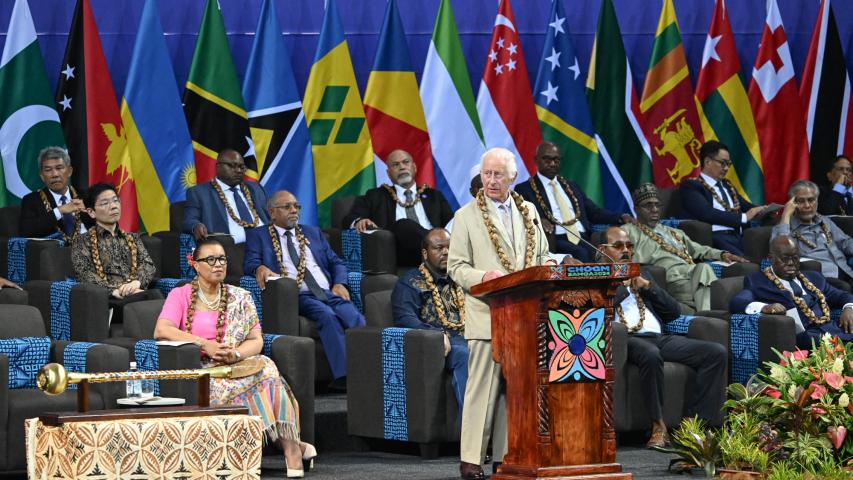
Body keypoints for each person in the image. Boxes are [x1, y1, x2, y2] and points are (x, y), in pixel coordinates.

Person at [153, 238, 316, 478]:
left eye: (222, 259)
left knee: (268, 369)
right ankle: (293, 446)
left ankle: (291, 449)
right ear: (195, 264)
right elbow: (162, 330)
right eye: (210, 259)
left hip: (236, 364)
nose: (218, 264)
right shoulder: (181, 295)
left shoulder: (240, 296)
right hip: (202, 368)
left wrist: (236, 354)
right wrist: (205, 345)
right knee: (257, 378)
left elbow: (256, 340)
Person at [448, 147, 553, 480]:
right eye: (486, 174)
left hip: (525, 317)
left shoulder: (530, 211)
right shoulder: (466, 215)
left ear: (513, 177)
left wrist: (550, 266)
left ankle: (506, 457)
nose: (490, 181)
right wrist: (483, 277)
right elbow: (455, 267)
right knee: (483, 389)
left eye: (497, 175)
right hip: (488, 314)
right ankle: (470, 460)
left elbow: (542, 254)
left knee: (515, 390)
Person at [597, 226, 726, 448]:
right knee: (650, 354)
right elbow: (597, 311)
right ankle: (658, 425)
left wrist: (648, 287)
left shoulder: (642, 273)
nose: (626, 250)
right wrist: (621, 286)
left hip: (658, 337)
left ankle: (695, 426)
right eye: (618, 246)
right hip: (626, 340)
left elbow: (673, 312)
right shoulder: (596, 276)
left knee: (715, 353)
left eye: (629, 245)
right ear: (602, 250)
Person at [244, 190, 365, 391]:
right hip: (297, 295)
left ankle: (371, 369)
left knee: (354, 316)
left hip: (328, 291)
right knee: (326, 315)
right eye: (287, 207)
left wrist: (339, 283)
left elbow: (336, 262)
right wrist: (260, 268)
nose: (294, 211)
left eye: (296, 207)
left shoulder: (312, 232)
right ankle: (345, 377)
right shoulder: (259, 235)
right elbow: (250, 262)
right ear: (272, 212)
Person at [622, 183, 749, 313]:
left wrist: (723, 255)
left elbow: (699, 249)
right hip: (672, 281)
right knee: (705, 271)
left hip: (694, 277)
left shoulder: (674, 232)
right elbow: (619, 258)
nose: (654, 209)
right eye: (648, 205)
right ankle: (710, 317)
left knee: (711, 275)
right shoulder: (628, 232)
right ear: (636, 209)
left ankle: (704, 316)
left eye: (657, 205)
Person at [391, 228, 468, 416]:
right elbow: (404, 318)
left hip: (469, 336)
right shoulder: (409, 282)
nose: (446, 252)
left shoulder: (460, 277)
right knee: (466, 354)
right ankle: (471, 434)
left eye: (450, 247)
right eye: (439, 248)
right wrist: (435, 335)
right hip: (439, 345)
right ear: (425, 253)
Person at [730, 235, 853, 349]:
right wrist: (765, 307)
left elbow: (842, 295)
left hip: (830, 328)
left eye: (795, 258)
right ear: (771, 258)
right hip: (802, 336)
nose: (790, 263)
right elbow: (737, 302)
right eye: (784, 259)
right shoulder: (757, 281)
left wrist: (848, 309)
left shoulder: (814, 278)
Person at [515, 141, 632, 261]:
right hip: (556, 238)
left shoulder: (572, 186)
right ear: (536, 160)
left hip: (583, 237)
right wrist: (539, 220)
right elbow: (524, 215)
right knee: (581, 253)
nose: (552, 164)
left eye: (556, 160)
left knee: (607, 252)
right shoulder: (525, 189)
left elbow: (594, 212)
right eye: (547, 159)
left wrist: (620, 217)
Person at [342, 150, 454, 266]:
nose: (402, 167)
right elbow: (348, 219)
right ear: (388, 173)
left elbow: (451, 223)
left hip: (442, 248)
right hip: (401, 251)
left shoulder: (433, 195)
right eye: (395, 165)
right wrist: (359, 221)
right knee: (404, 225)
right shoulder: (375, 196)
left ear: (414, 167)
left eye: (406, 162)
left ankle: (441, 252)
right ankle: (440, 252)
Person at [71, 183, 161, 324]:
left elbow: (148, 265)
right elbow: (84, 274)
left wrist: (136, 283)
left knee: (165, 295)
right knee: (154, 296)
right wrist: (115, 290)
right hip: (110, 300)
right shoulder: (82, 241)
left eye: (115, 200)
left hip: (138, 294)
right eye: (105, 203)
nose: (113, 206)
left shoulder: (133, 238)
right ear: (91, 212)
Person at [678, 141, 766, 256]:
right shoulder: (691, 186)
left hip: (739, 237)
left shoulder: (727, 186)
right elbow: (706, 213)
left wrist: (765, 210)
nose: (726, 168)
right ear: (707, 162)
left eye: (728, 164)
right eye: (722, 163)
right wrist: (744, 217)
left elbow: (746, 206)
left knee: (767, 258)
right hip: (716, 238)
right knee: (749, 263)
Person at [772, 180, 853, 290]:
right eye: (801, 201)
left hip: (845, 270)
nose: (807, 205)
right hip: (820, 278)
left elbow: (845, 242)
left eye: (811, 200)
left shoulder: (825, 221)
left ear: (817, 201)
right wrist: (786, 215)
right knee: (845, 287)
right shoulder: (785, 227)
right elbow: (781, 251)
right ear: (792, 204)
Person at [182, 149, 270, 244]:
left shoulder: (255, 188)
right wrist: (196, 226)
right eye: (232, 166)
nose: (238, 171)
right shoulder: (199, 192)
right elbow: (189, 220)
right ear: (218, 167)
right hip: (229, 248)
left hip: (267, 244)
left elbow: (270, 215)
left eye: (242, 167)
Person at [19, 146, 91, 239]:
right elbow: (26, 231)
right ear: (42, 176)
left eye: (59, 168)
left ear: (69, 171)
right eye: (48, 170)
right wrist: (60, 211)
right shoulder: (31, 200)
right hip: (55, 252)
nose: (55, 174)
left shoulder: (85, 196)